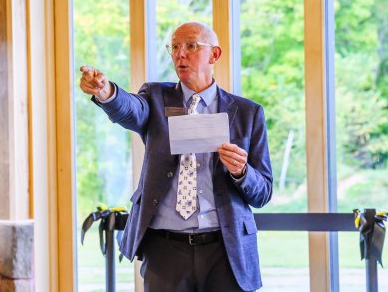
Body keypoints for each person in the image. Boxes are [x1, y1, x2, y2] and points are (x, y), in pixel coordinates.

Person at [79, 21, 273, 291]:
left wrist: (242, 171)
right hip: (165, 250)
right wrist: (105, 92)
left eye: (191, 46)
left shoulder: (247, 113)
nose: (180, 54)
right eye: (175, 47)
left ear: (214, 55)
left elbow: (263, 192)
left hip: (226, 252)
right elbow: (130, 109)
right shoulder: (156, 97)